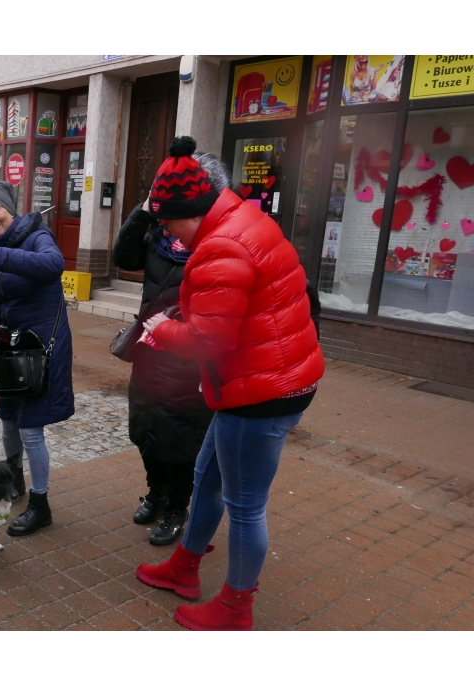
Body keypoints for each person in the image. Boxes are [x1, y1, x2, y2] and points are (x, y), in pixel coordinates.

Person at [134, 137, 325, 630]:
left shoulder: (221, 243)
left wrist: (162, 329)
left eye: (169, 222)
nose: (168, 233)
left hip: (262, 391)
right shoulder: (237, 219)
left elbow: (208, 340)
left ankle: (237, 607)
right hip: (252, 379)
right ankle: (184, 568)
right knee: (207, 480)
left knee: (244, 507)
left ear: (192, 210)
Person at [111, 155, 226, 546]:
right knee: (144, 430)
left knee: (180, 441)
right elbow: (123, 258)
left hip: (189, 359)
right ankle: (156, 494)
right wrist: (142, 213)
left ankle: (178, 507)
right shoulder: (160, 235)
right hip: (149, 349)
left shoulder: (212, 242)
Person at [0, 180, 74, 536]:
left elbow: (52, 265)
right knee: (9, 423)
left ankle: (40, 506)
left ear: (10, 209)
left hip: (42, 350)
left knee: (30, 430)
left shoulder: (36, 236)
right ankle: (16, 486)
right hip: (11, 352)